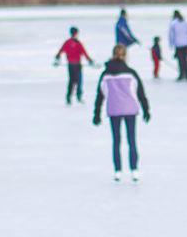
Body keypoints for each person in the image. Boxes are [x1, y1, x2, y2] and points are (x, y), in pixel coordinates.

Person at [93, 43, 150, 182]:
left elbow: (100, 95)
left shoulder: (106, 74)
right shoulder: (131, 73)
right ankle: (134, 170)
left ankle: (117, 171)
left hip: (114, 109)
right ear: (125, 56)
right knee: (131, 140)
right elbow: (140, 92)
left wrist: (96, 113)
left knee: (116, 141)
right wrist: (146, 110)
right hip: (130, 109)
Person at [54, 27, 94, 105]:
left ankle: (68, 97)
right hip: (77, 65)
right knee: (79, 81)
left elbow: (59, 52)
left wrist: (57, 58)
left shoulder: (67, 42)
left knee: (71, 81)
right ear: (76, 33)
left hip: (70, 66)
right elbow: (85, 53)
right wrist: (90, 61)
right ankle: (79, 97)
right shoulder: (78, 43)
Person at [168, 10, 187, 80]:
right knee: (186, 59)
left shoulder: (173, 23)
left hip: (178, 44)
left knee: (180, 60)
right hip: (186, 43)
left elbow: (171, 35)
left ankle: (182, 74)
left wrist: (171, 44)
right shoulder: (185, 22)